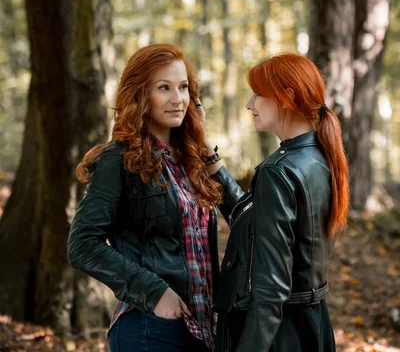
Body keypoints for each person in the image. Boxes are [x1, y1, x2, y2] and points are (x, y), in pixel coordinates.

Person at [67, 43, 241, 352]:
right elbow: (82, 244)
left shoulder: (193, 162)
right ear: (141, 94)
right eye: (164, 88)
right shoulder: (117, 160)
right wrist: (154, 292)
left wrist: (207, 150)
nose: (178, 99)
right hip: (150, 327)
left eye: (184, 87)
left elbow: (245, 219)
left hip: (204, 331)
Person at [212, 53, 349, 352]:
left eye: (258, 95)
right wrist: (216, 170)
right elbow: (254, 223)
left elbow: (271, 288)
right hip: (311, 325)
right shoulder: (318, 157)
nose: (250, 104)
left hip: (277, 335)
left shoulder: (281, 171)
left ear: (286, 97)